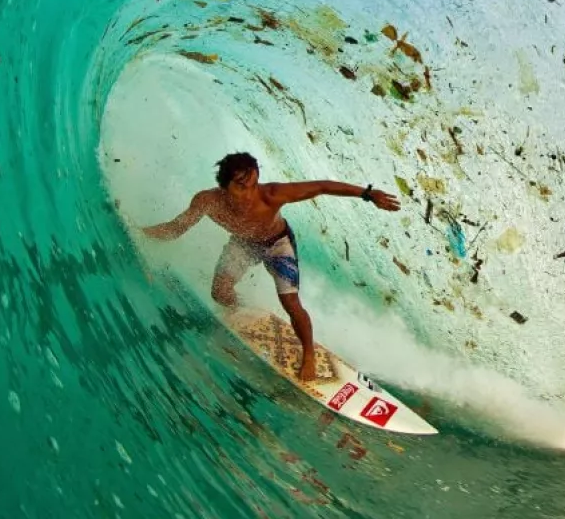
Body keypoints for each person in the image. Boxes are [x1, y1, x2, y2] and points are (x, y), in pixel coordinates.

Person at [142, 153, 400, 380]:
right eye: (241, 187)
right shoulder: (207, 201)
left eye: (254, 184)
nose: (249, 194)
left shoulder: (271, 195)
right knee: (220, 293)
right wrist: (138, 231)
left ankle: (308, 353)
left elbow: (321, 186)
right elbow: (177, 228)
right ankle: (242, 311)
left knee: (291, 304)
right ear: (224, 186)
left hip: (278, 246)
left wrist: (367, 194)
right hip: (244, 243)